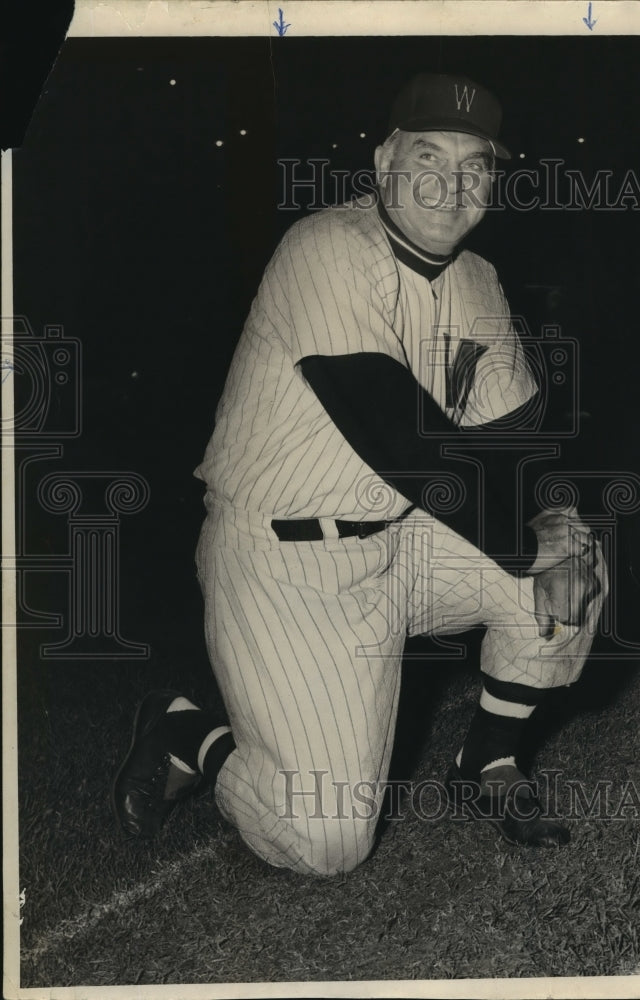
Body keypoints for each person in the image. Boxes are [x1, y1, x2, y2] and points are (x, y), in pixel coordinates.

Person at [113, 73, 606, 877]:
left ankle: (488, 764)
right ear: (382, 162)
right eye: (427, 157)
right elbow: (399, 441)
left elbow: (518, 445)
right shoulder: (326, 247)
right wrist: (533, 543)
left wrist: (558, 528)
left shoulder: (478, 279)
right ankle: (190, 734)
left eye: (474, 165)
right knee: (328, 843)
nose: (450, 186)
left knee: (575, 551)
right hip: (283, 562)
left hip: (404, 541)